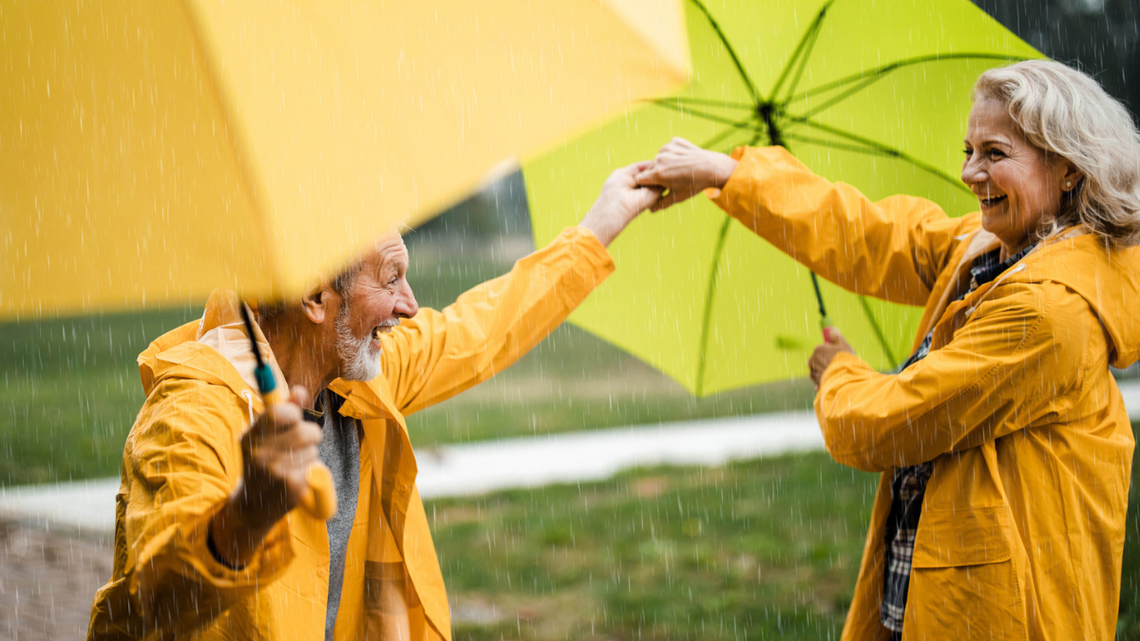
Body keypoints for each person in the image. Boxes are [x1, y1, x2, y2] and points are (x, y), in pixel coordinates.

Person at [636, 59, 1140, 639]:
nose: (970, 173)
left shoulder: (1051, 310)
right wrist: (729, 174)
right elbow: (871, 236)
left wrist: (837, 374)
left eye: (995, 154)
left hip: (1002, 615)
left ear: (1068, 168)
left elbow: (893, 423)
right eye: (968, 150)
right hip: (938, 591)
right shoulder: (999, 248)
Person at [86, 163, 661, 640]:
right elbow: (148, 612)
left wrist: (598, 227)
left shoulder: (356, 377)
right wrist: (244, 516)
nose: (410, 304)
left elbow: (482, 328)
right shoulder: (190, 413)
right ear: (316, 295)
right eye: (390, 280)